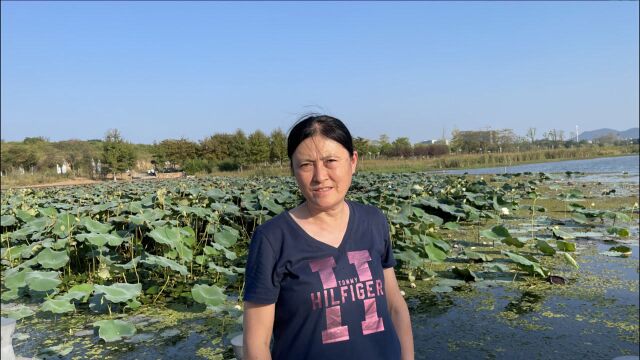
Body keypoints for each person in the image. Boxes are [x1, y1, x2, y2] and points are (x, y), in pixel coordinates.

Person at [243, 114, 414, 360]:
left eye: (330, 160)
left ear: (353, 161)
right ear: (292, 169)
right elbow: (256, 344)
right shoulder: (272, 239)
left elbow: (395, 304)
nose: (320, 176)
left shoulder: (373, 221)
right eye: (305, 165)